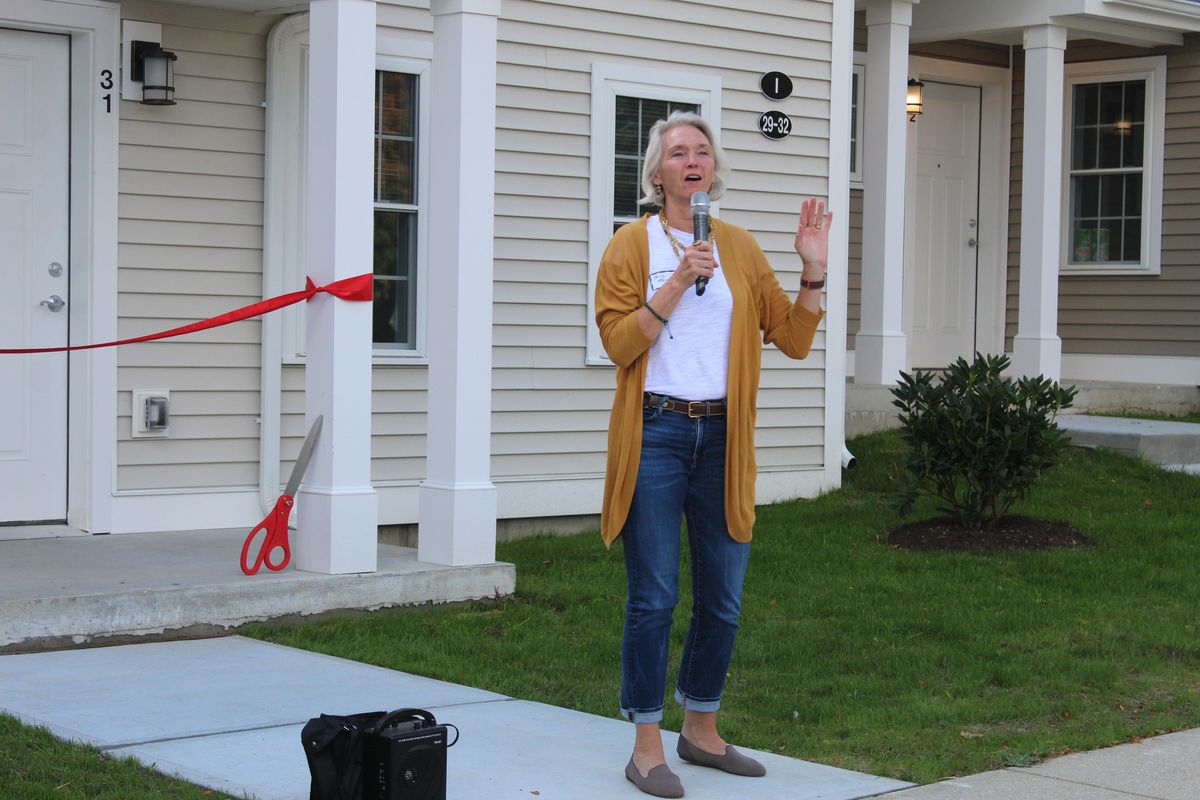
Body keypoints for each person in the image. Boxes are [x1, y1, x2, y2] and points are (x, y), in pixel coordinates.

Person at [594, 110, 830, 798]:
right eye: (678, 153)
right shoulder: (629, 247)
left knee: (722, 597)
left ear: (712, 169)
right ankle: (645, 746)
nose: (692, 161)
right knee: (655, 596)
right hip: (658, 433)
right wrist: (674, 283)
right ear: (658, 174)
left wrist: (812, 272)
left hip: (724, 437)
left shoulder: (739, 247)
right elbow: (618, 344)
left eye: (702, 151)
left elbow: (791, 337)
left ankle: (701, 730)